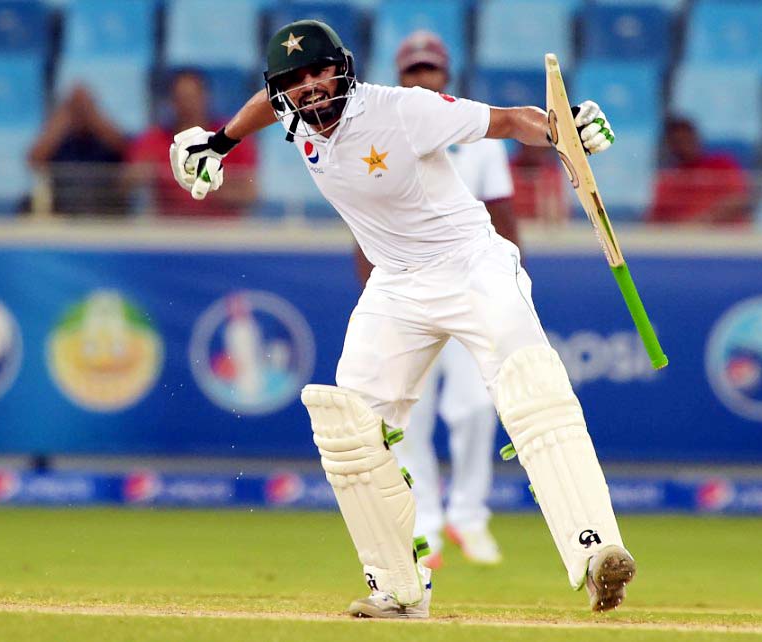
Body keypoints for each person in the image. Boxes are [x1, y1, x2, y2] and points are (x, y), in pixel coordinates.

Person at [169, 20, 633, 618]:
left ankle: (596, 551)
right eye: (296, 79)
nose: (311, 87)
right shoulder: (294, 114)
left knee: (530, 386)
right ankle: (398, 588)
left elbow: (511, 120)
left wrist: (568, 126)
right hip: (396, 284)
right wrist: (221, 140)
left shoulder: (405, 110)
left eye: (320, 72)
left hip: (472, 264)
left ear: (344, 67)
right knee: (349, 428)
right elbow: (266, 104)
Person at [351, 30, 516, 570]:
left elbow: (505, 219)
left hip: (472, 289)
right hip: (406, 292)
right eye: (412, 71)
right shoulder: (377, 130)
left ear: (446, 75)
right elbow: (364, 226)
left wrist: (507, 289)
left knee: (472, 408)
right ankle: (425, 525)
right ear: (398, 77)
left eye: (431, 70)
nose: (422, 79)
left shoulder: (478, 136)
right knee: (410, 419)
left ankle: (469, 515)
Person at [127, 69, 257, 217]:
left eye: (192, 97)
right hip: (169, 230)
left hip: (222, 232)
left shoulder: (233, 135)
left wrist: (203, 185)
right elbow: (123, 183)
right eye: (181, 98)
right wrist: (138, 176)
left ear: (206, 97)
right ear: (171, 101)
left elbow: (250, 193)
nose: (187, 104)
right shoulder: (152, 140)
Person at [27, 85, 129, 216]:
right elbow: (34, 159)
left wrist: (91, 114)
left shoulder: (105, 140)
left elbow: (125, 149)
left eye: (83, 108)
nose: (79, 113)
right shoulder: (60, 141)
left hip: (105, 213)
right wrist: (62, 117)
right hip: (64, 213)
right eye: (75, 108)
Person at [648, 116, 751, 224]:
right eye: (678, 141)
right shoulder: (667, 180)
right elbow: (655, 219)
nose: (684, 146)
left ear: (697, 138)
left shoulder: (723, 164)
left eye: (687, 139)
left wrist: (701, 222)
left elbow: (739, 199)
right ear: (670, 146)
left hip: (725, 236)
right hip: (682, 238)